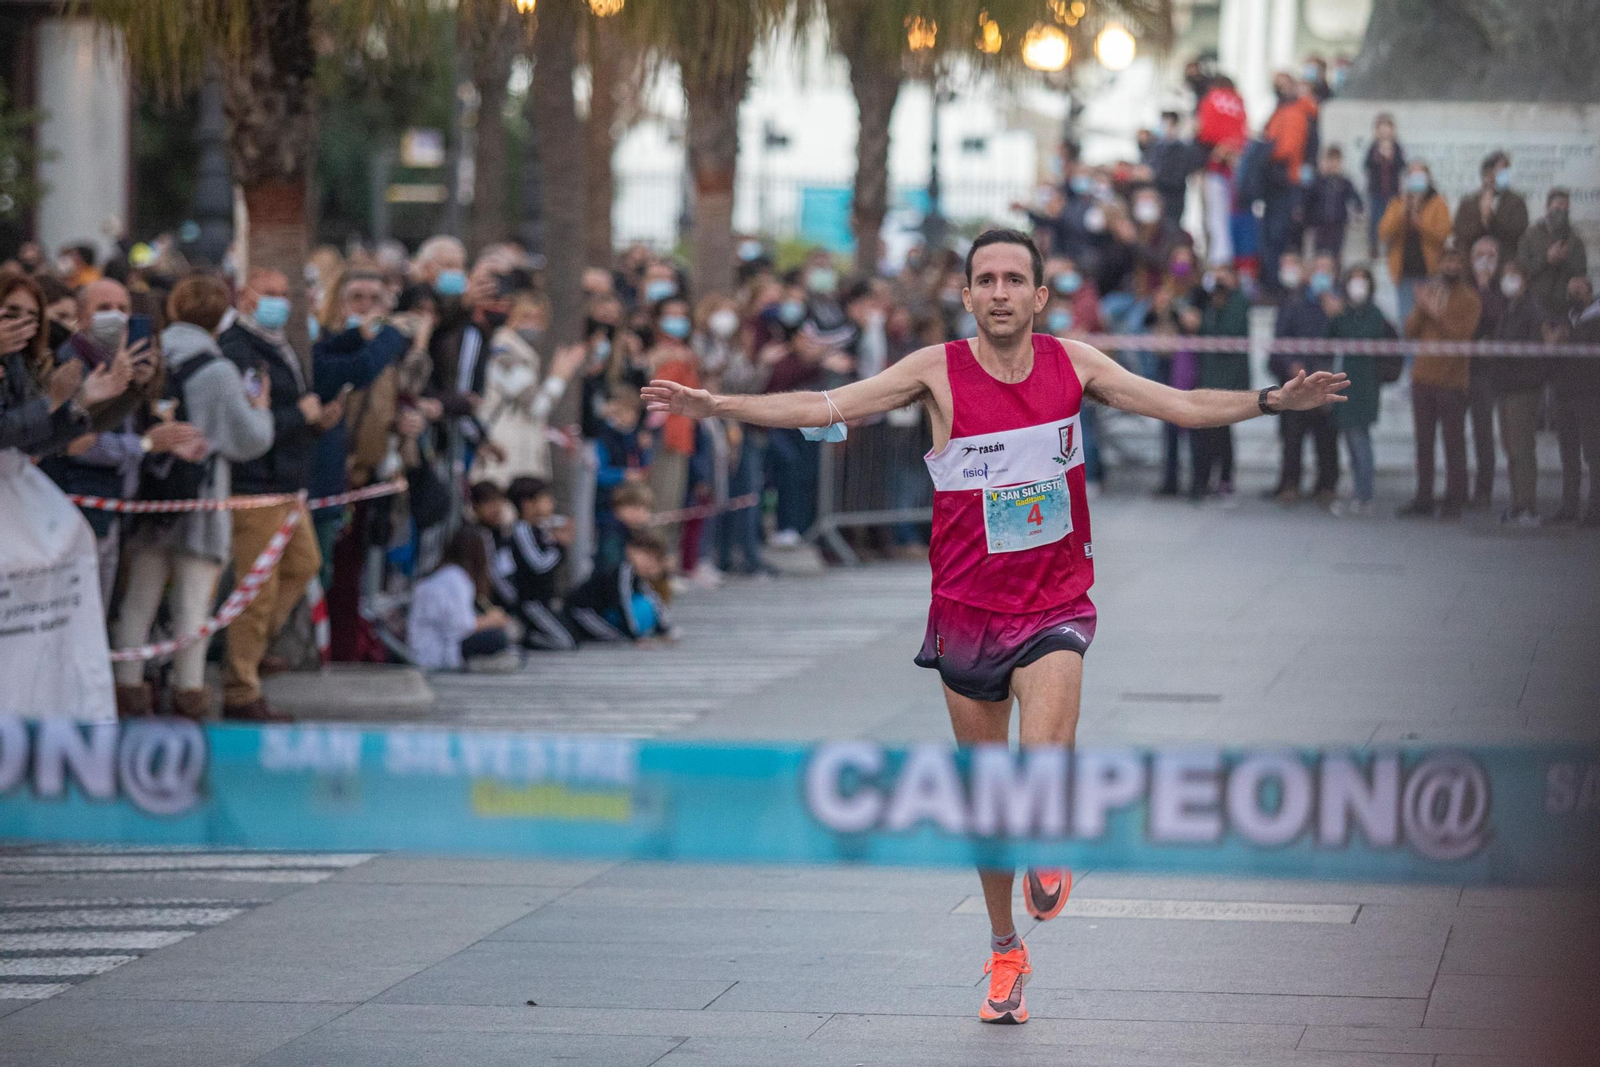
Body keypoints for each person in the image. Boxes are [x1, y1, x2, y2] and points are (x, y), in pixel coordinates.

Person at [643, 228, 1348, 1024]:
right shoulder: (935, 371)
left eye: (1016, 278)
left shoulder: (1073, 364)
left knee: (1043, 761)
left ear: (1040, 296)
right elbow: (825, 405)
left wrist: (1270, 401)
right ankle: (1005, 946)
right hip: (967, 613)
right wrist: (719, 406)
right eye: (987, 279)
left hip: (1055, 602)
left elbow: (1180, 404)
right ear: (969, 295)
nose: (1002, 291)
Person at [112, 274, 275, 719]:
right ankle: (188, 693)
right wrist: (262, 411)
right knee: (192, 603)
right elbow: (249, 440)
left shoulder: (154, 357)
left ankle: (128, 689)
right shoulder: (218, 370)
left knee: (139, 599)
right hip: (201, 499)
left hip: (152, 494)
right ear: (221, 316)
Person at [217, 267, 337, 721]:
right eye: (270, 293)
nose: (280, 302)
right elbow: (250, 424)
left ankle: (252, 647)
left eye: (285, 294)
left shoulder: (277, 344)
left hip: (287, 482)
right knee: (258, 588)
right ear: (245, 297)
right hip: (258, 486)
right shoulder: (240, 350)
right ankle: (240, 687)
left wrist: (314, 421)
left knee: (304, 564)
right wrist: (298, 416)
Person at [1399, 247, 1481, 519]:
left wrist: (1435, 312)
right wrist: (1422, 307)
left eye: (1457, 261)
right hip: (1423, 378)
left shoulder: (1470, 298)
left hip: (1452, 381)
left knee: (1454, 444)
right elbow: (1410, 330)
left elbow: (1462, 335)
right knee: (1424, 443)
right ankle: (1423, 498)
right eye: (1447, 261)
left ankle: (1455, 499)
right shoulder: (1431, 292)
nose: (1451, 266)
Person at [0, 272, 117, 457]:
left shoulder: (22, 361)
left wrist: (79, 402)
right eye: (12, 312)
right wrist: (52, 399)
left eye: (31, 316)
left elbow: (30, 444)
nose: (21, 322)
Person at [1325, 266, 1396, 516]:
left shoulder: (1374, 314)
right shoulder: (1343, 313)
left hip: (1365, 385)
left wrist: (1341, 317)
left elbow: (1365, 336)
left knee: (1360, 439)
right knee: (1351, 441)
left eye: (1362, 280)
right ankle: (1359, 489)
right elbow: (1328, 337)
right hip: (1344, 382)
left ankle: (1364, 494)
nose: (1357, 285)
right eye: (1353, 280)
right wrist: (1333, 316)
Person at [1270, 252, 1338, 504]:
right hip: (1297, 380)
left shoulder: (1339, 306)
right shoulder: (1295, 302)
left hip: (1326, 380)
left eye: (1327, 269)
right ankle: (1290, 484)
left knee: (1326, 437)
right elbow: (1280, 340)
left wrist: (1338, 315)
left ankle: (1326, 485)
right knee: (1292, 436)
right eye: (1318, 269)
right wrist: (1291, 365)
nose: (1322, 275)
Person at [407, 525, 516, 671]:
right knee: (498, 637)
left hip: (431, 647)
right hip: (438, 653)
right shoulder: (456, 580)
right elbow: (462, 626)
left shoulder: (447, 575)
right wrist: (491, 620)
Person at [1490, 262, 1549, 525]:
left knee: (1522, 448)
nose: (1509, 281)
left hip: (1523, 388)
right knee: (1511, 448)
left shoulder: (1532, 310)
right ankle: (1517, 503)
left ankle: (1527, 505)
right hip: (1505, 386)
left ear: (1525, 280)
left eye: (1514, 275)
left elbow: (1533, 351)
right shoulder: (1508, 309)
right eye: (1505, 276)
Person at [1194, 264, 1251, 498]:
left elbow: (1229, 332)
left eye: (1223, 274)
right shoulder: (1208, 300)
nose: (1218, 279)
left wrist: (1209, 318)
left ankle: (1225, 479)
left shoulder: (1238, 302)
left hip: (1229, 377)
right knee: (1209, 431)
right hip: (1208, 374)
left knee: (1222, 430)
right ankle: (1206, 480)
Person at [562, 527, 674, 644]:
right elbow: (623, 603)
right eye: (645, 555)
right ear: (630, 550)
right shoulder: (623, 571)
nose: (647, 562)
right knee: (617, 637)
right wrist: (635, 637)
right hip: (581, 611)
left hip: (601, 612)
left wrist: (664, 631)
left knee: (622, 631)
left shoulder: (638, 575)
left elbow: (653, 600)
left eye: (652, 559)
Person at [503, 476, 577, 651]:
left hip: (545, 601)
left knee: (574, 635)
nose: (551, 504)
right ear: (527, 504)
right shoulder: (522, 530)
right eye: (545, 499)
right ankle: (524, 637)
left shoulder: (540, 529)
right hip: (531, 602)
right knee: (564, 642)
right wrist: (560, 545)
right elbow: (539, 565)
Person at [1260, 72, 1319, 292]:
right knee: (1274, 235)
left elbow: (1294, 149)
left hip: (1289, 182)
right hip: (1278, 182)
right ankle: (1274, 281)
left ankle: (1281, 283)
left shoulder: (1300, 112)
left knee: (1283, 235)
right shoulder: (1282, 111)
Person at [1378, 161, 1451, 326]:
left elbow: (1443, 235)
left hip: (1430, 272)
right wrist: (1403, 212)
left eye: (1421, 175)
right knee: (1407, 322)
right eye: (1413, 175)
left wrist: (1421, 225)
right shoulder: (1397, 202)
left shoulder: (1438, 202)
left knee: (1430, 322)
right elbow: (1384, 232)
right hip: (1404, 273)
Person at [1552, 276, 1600, 525]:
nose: (1573, 296)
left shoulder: (1595, 320)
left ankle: (1595, 509)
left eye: (1578, 291)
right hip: (1564, 393)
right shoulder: (1565, 318)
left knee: (1594, 454)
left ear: (1590, 291)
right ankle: (1568, 506)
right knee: (1568, 454)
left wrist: (1566, 340)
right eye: (1569, 291)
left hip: (1590, 394)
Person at [1465, 237, 1506, 508]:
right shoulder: (1462, 285)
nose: (1485, 260)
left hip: (1486, 372)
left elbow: (1499, 317)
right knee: (1454, 433)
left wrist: (1485, 288)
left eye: (1491, 255)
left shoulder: (1505, 287)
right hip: (1459, 367)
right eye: (1480, 255)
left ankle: (1483, 491)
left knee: (1483, 433)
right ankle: (1456, 490)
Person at [1195, 75, 1248, 267]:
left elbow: (1205, 132)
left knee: (1215, 219)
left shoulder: (1211, 100)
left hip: (1215, 168)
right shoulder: (1238, 102)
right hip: (1234, 169)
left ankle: (1219, 263)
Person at [1517, 189, 1588, 316]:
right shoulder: (1530, 236)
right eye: (1559, 204)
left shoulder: (1575, 240)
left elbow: (1580, 273)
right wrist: (1547, 259)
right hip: (1534, 305)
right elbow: (1521, 271)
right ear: (1547, 206)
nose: (1563, 209)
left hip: (1565, 307)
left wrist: (1564, 260)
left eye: (1566, 206)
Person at [1453, 152, 1528, 267]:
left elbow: (1518, 231)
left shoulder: (1516, 202)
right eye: (1502, 170)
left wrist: (1492, 218)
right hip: (1473, 265)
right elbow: (1461, 233)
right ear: (1487, 173)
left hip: (1504, 263)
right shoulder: (1468, 202)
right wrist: (1482, 220)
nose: (1506, 174)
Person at [1305, 146, 1362, 264]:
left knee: (1336, 253)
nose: (1333, 164)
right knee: (1319, 253)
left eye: (1336, 161)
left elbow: (1355, 197)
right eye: (1331, 160)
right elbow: (1308, 199)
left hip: (1337, 223)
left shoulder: (1344, 181)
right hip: (1320, 223)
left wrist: (1358, 208)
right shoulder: (1318, 180)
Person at [1362, 114, 1405, 260]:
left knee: (1393, 219)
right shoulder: (1373, 147)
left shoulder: (1396, 147)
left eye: (1387, 128)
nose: (1385, 132)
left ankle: (1391, 246)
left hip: (1392, 191)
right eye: (1382, 129)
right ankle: (1373, 246)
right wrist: (1379, 157)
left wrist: (1391, 157)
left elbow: (1401, 165)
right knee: (1374, 220)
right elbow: (1366, 165)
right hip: (1376, 191)